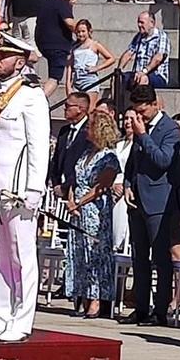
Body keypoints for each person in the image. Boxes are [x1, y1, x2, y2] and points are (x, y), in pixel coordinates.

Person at [0, 33, 50, 342]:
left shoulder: (31, 96)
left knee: (21, 254)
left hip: (16, 188)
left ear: (19, 61)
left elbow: (38, 146)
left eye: (3, 56)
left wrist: (33, 189)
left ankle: (22, 317)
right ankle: (1, 314)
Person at [117, 81, 180, 327]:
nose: (139, 116)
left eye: (143, 111)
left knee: (160, 258)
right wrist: (127, 183)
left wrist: (143, 135)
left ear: (155, 104)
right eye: (136, 111)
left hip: (159, 201)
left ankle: (161, 308)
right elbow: (133, 162)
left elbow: (163, 160)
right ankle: (141, 307)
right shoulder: (139, 129)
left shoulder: (169, 129)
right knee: (139, 257)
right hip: (137, 200)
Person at [64, 108, 123, 320]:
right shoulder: (86, 153)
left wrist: (80, 202)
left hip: (94, 211)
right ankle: (81, 296)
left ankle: (96, 299)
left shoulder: (109, 157)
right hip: (77, 209)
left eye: (89, 127)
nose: (86, 131)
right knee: (79, 254)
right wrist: (71, 200)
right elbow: (74, 179)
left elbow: (102, 185)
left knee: (94, 254)